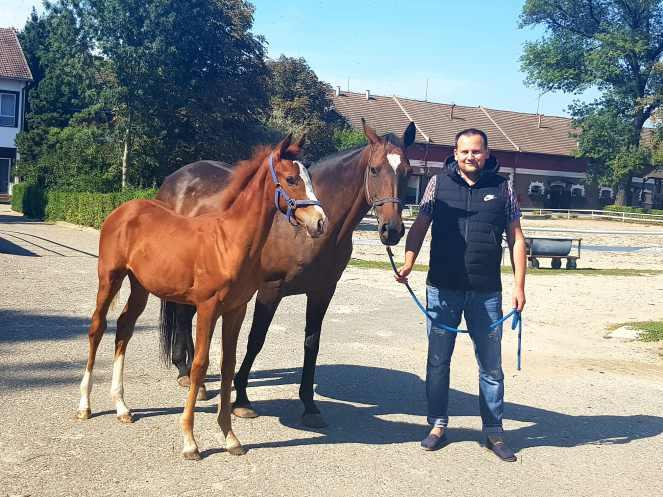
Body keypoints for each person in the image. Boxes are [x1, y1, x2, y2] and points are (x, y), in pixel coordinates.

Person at [396, 128, 526, 462]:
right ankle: (437, 424)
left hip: (487, 293)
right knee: (438, 361)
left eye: (477, 152)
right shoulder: (438, 184)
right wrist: (409, 262)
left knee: (491, 367)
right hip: (442, 288)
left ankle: (494, 431)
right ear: (455, 154)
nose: (471, 157)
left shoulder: (503, 188)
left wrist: (520, 287)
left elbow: (517, 239)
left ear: (486, 154)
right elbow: (420, 226)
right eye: (465, 152)